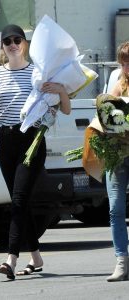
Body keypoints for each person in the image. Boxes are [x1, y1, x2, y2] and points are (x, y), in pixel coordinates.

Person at [0, 24, 71, 280]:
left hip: (31, 141)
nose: (12, 44)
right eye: (7, 41)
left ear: (24, 44)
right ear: (2, 47)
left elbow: (65, 109)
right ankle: (36, 257)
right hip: (6, 139)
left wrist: (62, 91)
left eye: (17, 40)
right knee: (19, 200)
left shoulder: (38, 72)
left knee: (19, 200)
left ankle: (10, 259)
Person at [106, 41, 129, 282]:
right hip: (115, 152)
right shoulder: (115, 77)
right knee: (115, 208)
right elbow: (104, 107)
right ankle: (121, 261)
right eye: (123, 60)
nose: (126, 65)